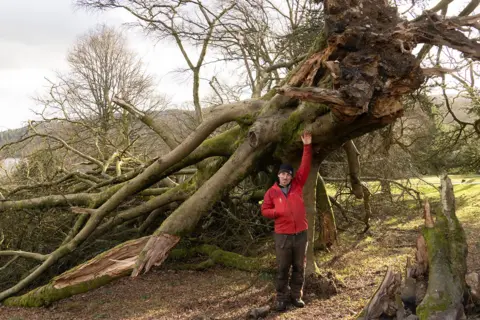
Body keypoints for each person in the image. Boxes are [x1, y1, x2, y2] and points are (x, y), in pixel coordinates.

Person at [261, 131, 312, 312]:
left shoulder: (297, 185)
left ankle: (296, 296)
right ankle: (281, 299)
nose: (285, 177)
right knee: (283, 268)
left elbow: (305, 166)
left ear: (291, 177)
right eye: (282, 174)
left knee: (299, 266)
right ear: (278, 175)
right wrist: (276, 212)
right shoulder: (271, 192)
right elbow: (264, 210)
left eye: (288, 174)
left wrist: (307, 146)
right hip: (282, 235)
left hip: (301, 234)